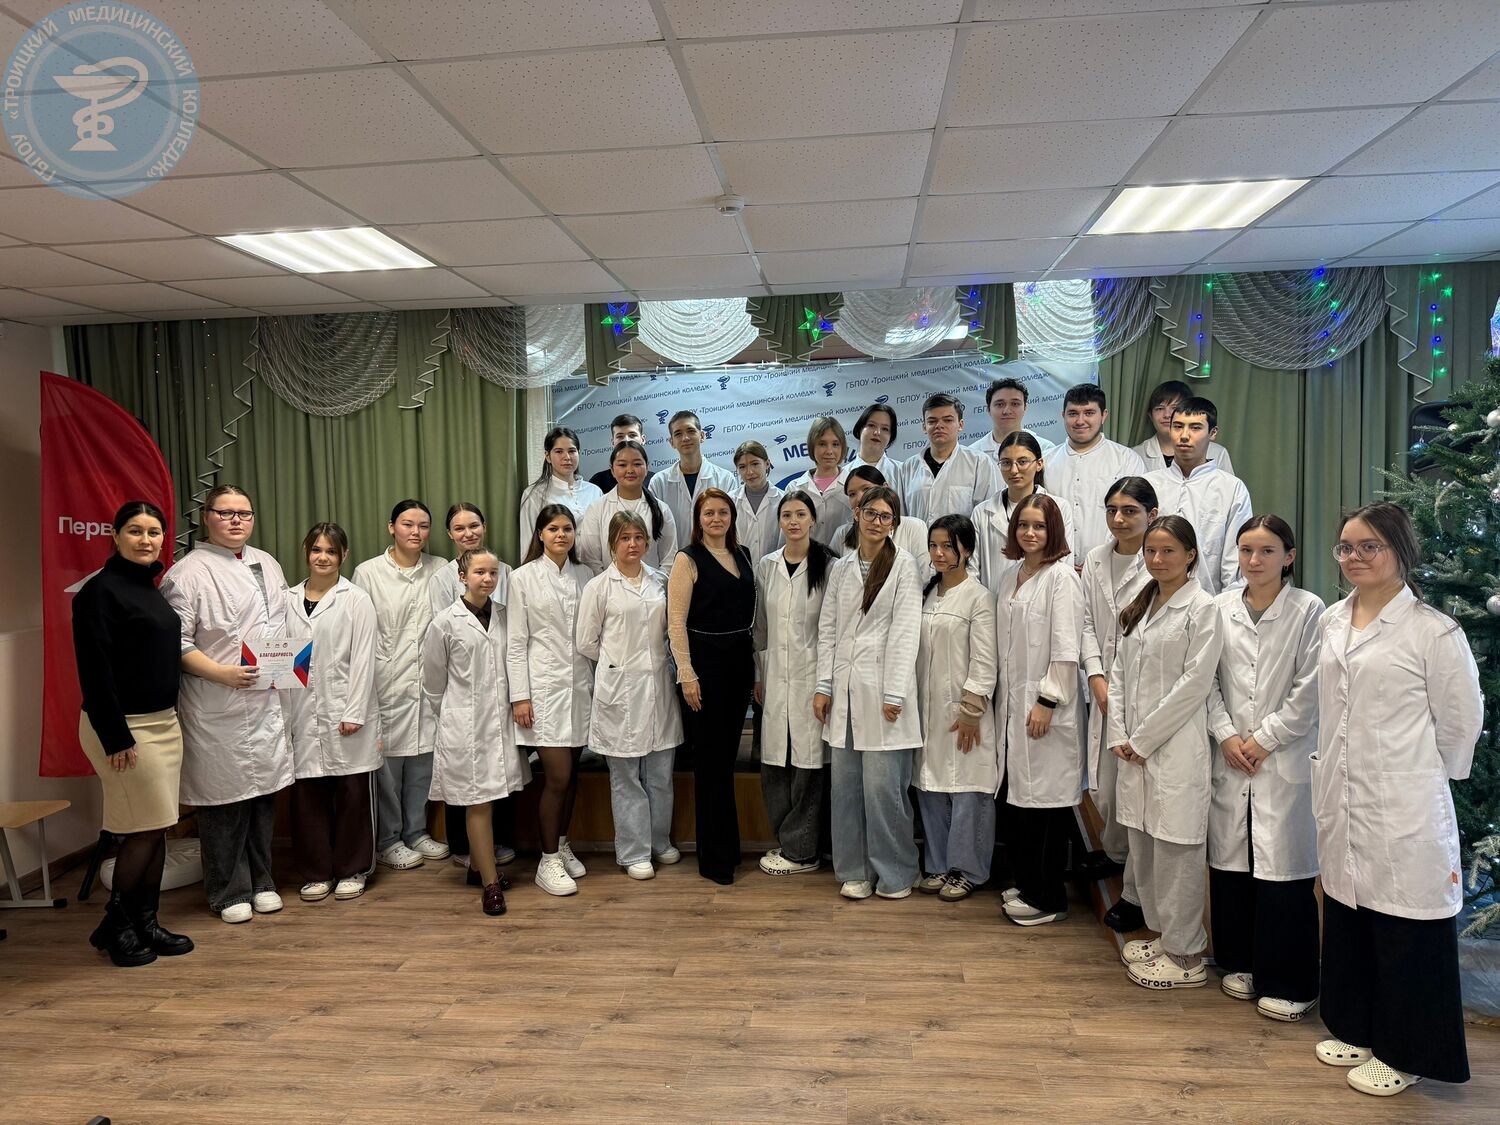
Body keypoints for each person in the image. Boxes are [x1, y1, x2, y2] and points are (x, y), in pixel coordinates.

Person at [1312, 503, 1482, 1097]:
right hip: (1342, 793)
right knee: (1351, 913)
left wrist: (1423, 779)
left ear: (1399, 551)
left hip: (1404, 798)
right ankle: (1357, 1027)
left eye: (1370, 546)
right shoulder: (1333, 620)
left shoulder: (1434, 631)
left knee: (1407, 924)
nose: (1354, 557)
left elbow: (1461, 721)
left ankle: (1405, 1052)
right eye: (1346, 547)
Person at [1206, 515, 1323, 1021]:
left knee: (1284, 872)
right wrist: (1226, 734)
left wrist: (1264, 739)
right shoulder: (1218, 608)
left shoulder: (1309, 610)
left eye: (1267, 551)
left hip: (1283, 757)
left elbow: (1310, 687)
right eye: (1246, 550)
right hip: (1231, 753)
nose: (1254, 560)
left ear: (1288, 557)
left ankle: (1292, 982)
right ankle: (1240, 962)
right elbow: (1204, 680)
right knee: (1233, 864)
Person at [161, 485, 293, 924]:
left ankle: (263, 882)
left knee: (262, 798)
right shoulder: (187, 573)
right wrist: (221, 673)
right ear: (207, 517)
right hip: (216, 701)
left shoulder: (267, 562)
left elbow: (280, 626)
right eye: (226, 512)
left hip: (265, 698)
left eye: (244, 513)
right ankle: (227, 890)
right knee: (223, 802)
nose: (236, 521)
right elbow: (176, 642)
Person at [73, 500, 193, 965]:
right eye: (135, 531)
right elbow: (95, 671)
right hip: (125, 729)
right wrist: (116, 736)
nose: (146, 540)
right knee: (140, 831)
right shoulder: (99, 593)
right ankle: (116, 925)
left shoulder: (150, 587)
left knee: (156, 827)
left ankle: (146, 922)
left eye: (154, 532)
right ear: (116, 535)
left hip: (163, 723)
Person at [1109, 516, 1224, 989]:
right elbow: (1119, 672)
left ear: (1191, 555)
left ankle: (1186, 954)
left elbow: (1194, 685)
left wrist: (1142, 740)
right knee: (1146, 846)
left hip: (1174, 748)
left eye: (1169, 551)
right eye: (1151, 551)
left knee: (1177, 852)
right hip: (1134, 751)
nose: (1157, 559)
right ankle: (1164, 936)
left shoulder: (1203, 608)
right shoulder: (1144, 603)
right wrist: (1119, 732)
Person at [814, 485, 923, 901]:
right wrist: (823, 685)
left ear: (894, 523)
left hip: (884, 694)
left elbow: (906, 631)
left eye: (886, 516)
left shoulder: (904, 565)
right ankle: (855, 870)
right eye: (871, 513)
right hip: (843, 692)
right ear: (857, 514)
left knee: (883, 792)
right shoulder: (841, 567)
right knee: (845, 791)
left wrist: (894, 693)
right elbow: (828, 630)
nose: (877, 522)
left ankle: (896, 873)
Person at [421, 548, 530, 917]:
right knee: (478, 801)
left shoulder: (505, 616)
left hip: (498, 722)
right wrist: (456, 715)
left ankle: (477, 868)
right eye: (480, 572)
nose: (487, 579)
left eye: (493, 573)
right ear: (462, 577)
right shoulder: (444, 623)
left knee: (492, 796)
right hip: (463, 725)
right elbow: (433, 683)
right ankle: (490, 884)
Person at [994, 495, 1087, 926]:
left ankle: (1049, 898)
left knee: (1046, 809)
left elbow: (1067, 648)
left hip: (1046, 708)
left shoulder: (1061, 577)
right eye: (1023, 525)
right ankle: (1029, 883)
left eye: (1040, 526)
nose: (1030, 533)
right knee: (1020, 805)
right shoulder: (1010, 574)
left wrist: (1048, 700)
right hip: (1014, 706)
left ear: (1054, 532)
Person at [576, 512, 684, 880]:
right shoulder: (599, 587)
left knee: (660, 774)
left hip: (659, 686)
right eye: (625, 538)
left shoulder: (661, 582)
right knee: (626, 777)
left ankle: (659, 841)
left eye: (638, 537)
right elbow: (586, 642)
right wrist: (617, 665)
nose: (633, 544)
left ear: (648, 542)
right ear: (612, 544)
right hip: (619, 691)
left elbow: (671, 631)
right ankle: (634, 851)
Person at [285, 523, 380, 905]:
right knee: (308, 795)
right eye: (316, 550)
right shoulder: (287, 599)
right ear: (306, 552)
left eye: (331, 551)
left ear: (343, 556)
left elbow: (364, 660)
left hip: (346, 710)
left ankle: (353, 869)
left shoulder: (356, 599)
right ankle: (316, 873)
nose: (322, 557)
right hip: (301, 712)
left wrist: (354, 710)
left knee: (352, 793)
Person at [1081, 477, 1159, 932]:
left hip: (1145, 692)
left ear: (1152, 513)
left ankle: (1136, 893)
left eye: (1130, 510)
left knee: (1134, 795)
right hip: (1103, 686)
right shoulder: (1095, 559)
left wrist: (1119, 688)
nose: (1118, 519)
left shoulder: (1162, 559)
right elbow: (1086, 622)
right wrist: (1095, 675)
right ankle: (1115, 853)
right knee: (1104, 788)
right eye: (1112, 510)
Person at [352, 499, 447, 873]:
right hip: (387, 682)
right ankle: (388, 840)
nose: (415, 532)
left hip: (428, 684)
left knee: (424, 763)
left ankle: (416, 831)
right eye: (407, 524)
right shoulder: (368, 573)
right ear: (391, 527)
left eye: (423, 525)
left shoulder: (440, 569)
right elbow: (360, 632)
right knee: (388, 769)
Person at [668, 488, 757, 885]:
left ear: (732, 517)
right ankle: (714, 860)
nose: (716, 519)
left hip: (738, 667)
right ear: (698, 519)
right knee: (710, 765)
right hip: (703, 671)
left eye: (723, 512)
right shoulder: (687, 559)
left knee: (725, 763)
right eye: (709, 513)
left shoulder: (744, 555)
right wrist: (686, 674)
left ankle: (729, 849)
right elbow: (675, 623)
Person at [426, 502, 517, 873]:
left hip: (498, 700)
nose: (468, 533)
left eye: (474, 525)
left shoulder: (506, 577)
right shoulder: (443, 597)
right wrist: (453, 709)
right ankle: (469, 853)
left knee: (498, 781)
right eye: (460, 528)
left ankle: (492, 849)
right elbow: (435, 677)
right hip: (463, 705)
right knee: (464, 785)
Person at [509, 504, 594, 897]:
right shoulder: (522, 577)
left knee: (572, 776)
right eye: (553, 529)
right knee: (557, 777)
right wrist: (520, 697)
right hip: (542, 689)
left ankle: (561, 844)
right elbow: (515, 643)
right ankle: (547, 861)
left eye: (567, 529)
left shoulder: (585, 575)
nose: (561, 535)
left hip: (579, 686)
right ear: (540, 534)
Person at [913, 515, 999, 903]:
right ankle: (938, 864)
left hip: (964, 713)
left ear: (967, 549)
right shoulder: (928, 594)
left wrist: (971, 710)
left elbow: (985, 660)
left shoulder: (978, 597)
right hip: (928, 710)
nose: (939, 553)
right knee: (930, 787)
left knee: (968, 792)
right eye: (934, 545)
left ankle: (968, 870)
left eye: (948, 546)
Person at [753, 491, 834, 877]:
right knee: (775, 764)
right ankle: (790, 841)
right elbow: (761, 627)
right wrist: (759, 674)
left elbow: (832, 630)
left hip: (812, 679)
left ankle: (803, 852)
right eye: (787, 515)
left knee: (808, 766)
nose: (794, 522)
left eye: (801, 514)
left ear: (813, 519)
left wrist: (826, 684)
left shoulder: (829, 565)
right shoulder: (767, 565)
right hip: (774, 678)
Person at [1146, 397, 1253, 595]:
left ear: (1213, 433)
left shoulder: (1231, 489)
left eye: (1195, 428)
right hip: (1150, 599)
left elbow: (1235, 562)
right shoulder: (1149, 484)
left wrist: (1226, 606)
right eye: (1178, 427)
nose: (1184, 436)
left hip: (1208, 601)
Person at [1047, 384, 1147, 567]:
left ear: (1104, 415)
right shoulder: (1046, 462)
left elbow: (1136, 518)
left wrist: (1098, 561)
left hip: (1111, 566)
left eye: (1089, 413)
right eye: (1073, 413)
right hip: (1055, 567)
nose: (1080, 421)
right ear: (1063, 415)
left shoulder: (1126, 460)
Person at [972, 431, 1075, 594]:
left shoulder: (1060, 507)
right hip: (992, 603)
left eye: (1022, 462)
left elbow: (1063, 565)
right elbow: (972, 569)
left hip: (1043, 603)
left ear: (1039, 464)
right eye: (1006, 463)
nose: (1014, 470)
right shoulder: (982, 512)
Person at [895, 393, 999, 522]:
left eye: (948, 420)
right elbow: (901, 518)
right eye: (932, 421)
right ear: (924, 427)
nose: (939, 425)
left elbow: (987, 516)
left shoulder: (979, 463)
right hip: (917, 536)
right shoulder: (908, 467)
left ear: (960, 425)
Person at [578, 440, 679, 574]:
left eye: (637, 464)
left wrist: (654, 584)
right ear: (612, 470)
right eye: (622, 465)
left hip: (653, 586)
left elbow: (669, 560)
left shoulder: (662, 510)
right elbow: (591, 560)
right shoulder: (596, 509)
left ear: (647, 467)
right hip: (608, 586)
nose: (630, 470)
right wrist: (610, 585)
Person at [647, 410, 738, 540]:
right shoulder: (658, 483)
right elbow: (654, 529)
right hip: (673, 553)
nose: (685, 438)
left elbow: (732, 526)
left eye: (691, 431)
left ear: (702, 436)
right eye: (678, 434)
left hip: (715, 552)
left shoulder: (725, 479)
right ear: (672, 442)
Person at [518, 426, 604, 547]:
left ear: (579, 453)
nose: (567, 457)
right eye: (559, 451)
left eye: (572, 451)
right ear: (547, 456)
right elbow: (528, 543)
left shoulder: (594, 491)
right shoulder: (534, 494)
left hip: (595, 559)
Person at [1132, 379, 1235, 474]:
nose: (1167, 415)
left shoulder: (1217, 452)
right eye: (1159, 409)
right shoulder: (1135, 454)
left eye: (1174, 408)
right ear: (1150, 415)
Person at [829, 465, 928, 561]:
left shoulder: (914, 527)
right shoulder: (842, 534)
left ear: (885, 488)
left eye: (866, 489)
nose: (859, 498)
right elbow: (831, 570)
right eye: (852, 494)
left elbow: (925, 570)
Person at [785, 416, 854, 547]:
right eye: (822, 444)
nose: (829, 451)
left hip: (845, 557)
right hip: (805, 558)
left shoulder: (853, 486)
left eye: (835, 444)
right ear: (812, 447)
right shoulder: (794, 488)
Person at [969, 377, 1057, 461]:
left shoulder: (1045, 449)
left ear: (1025, 408)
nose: (1007, 411)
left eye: (1015, 404)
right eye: (1000, 404)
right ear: (988, 409)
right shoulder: (972, 454)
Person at [732, 440, 784, 565]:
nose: (749, 472)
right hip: (739, 571)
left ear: (767, 464)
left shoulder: (784, 500)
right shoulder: (730, 501)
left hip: (775, 570)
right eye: (742, 467)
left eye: (755, 464)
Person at [840, 402, 905, 483]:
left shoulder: (902, 473)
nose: (877, 432)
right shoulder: (842, 476)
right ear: (860, 429)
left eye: (885, 429)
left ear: (891, 436)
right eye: (871, 425)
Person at [588, 413, 652, 493]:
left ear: (643, 440)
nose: (626, 440)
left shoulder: (655, 481)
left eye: (632, 435)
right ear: (613, 442)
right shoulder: (598, 481)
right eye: (620, 436)